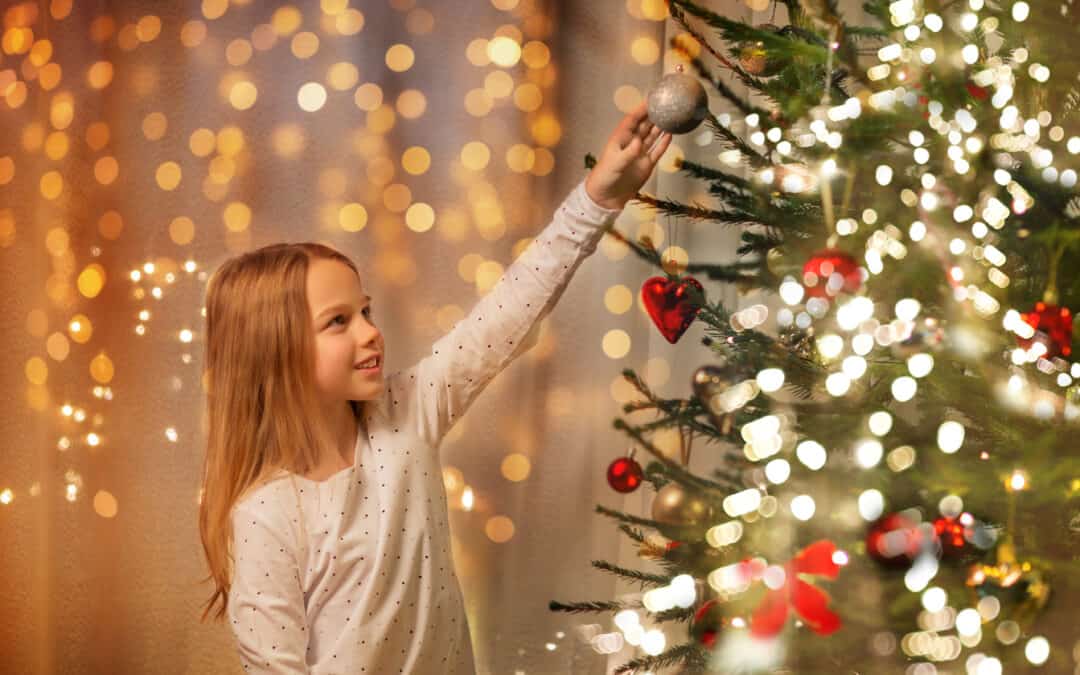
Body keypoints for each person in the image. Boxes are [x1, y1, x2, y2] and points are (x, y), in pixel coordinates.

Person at [197, 101, 673, 673]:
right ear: (275, 354)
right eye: (338, 322)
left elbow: (505, 315)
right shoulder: (267, 513)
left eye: (366, 311)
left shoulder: (406, 412)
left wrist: (596, 198)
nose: (372, 333)